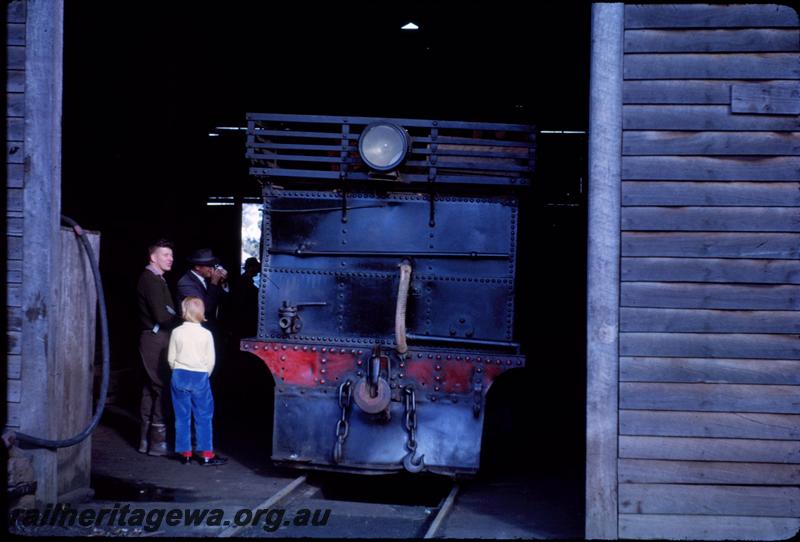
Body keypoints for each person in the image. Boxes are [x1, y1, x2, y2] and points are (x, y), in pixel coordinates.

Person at [168, 296, 227, 466]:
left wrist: (177, 370)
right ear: (201, 313)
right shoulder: (206, 334)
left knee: (182, 416)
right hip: (199, 375)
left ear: (184, 311)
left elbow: (171, 358)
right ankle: (206, 454)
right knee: (203, 415)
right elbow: (211, 361)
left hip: (179, 374)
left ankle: (185, 453)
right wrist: (204, 374)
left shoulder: (176, 332)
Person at [136, 238, 180, 456]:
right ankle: (158, 442)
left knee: (150, 388)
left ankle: (146, 441)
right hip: (155, 337)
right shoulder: (151, 280)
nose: (170, 259)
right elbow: (163, 315)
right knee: (161, 386)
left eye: (171, 255)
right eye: (165, 255)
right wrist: (177, 314)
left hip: (157, 337)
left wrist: (170, 311)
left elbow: (166, 311)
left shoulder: (158, 279)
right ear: (153, 257)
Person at [176, 248, 228, 335]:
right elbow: (204, 309)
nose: (212, 269)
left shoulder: (207, 279)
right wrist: (214, 282)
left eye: (213, 266)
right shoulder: (185, 283)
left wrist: (223, 281)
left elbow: (225, 300)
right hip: (195, 333)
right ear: (197, 267)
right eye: (208, 265)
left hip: (210, 329)